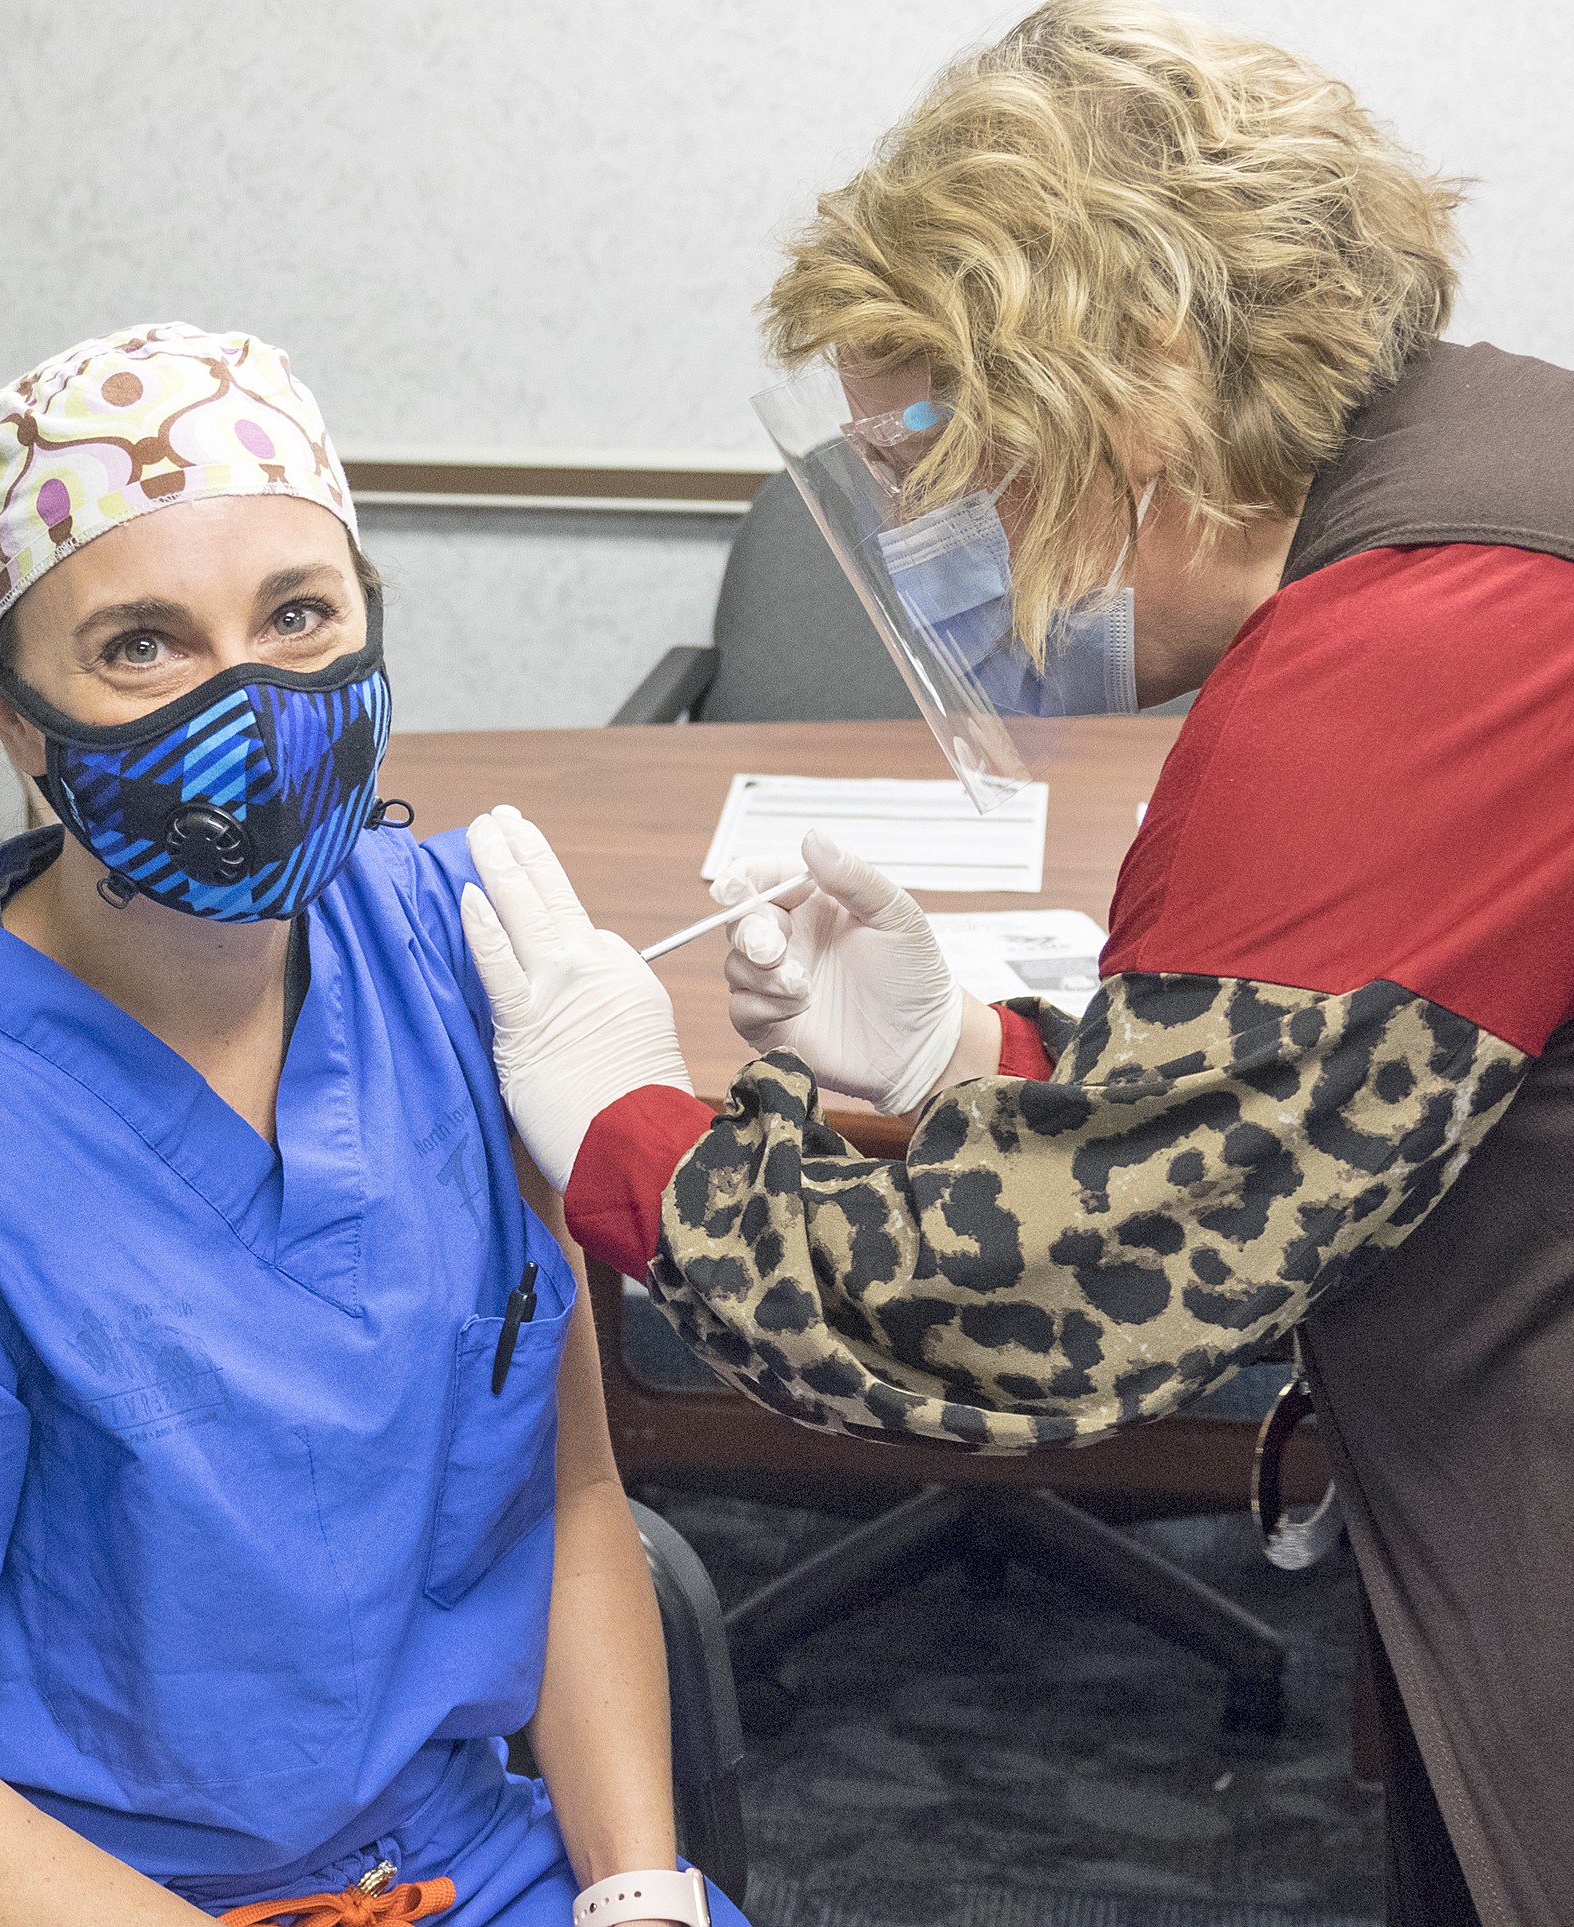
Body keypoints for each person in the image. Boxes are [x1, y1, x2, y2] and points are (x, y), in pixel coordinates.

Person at [455, 8, 1574, 1925]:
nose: (911, 536)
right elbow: (1329, 1080)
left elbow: (1046, 1298)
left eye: (926, 453)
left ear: (1130, 370)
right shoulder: (1494, 472)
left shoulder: (1412, 660)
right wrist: (981, 1055)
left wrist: (628, 1137)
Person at [0, 325, 745, 1927]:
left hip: (457, 1864)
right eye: (142, 646)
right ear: (6, 707)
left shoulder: (454, 957)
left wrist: (641, 1891)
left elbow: (574, 1501)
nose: (251, 702)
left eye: (299, 616)